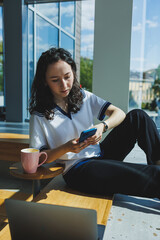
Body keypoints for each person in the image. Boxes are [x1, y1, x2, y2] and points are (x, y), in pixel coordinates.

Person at [29, 48, 160, 199]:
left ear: (73, 72)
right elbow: (38, 158)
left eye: (67, 76)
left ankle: (158, 161)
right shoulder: (38, 115)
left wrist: (102, 126)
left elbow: (119, 113)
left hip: (101, 154)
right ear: (45, 81)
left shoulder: (83, 97)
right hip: (78, 170)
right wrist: (67, 147)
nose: (64, 84)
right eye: (55, 80)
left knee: (138, 116)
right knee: (145, 175)